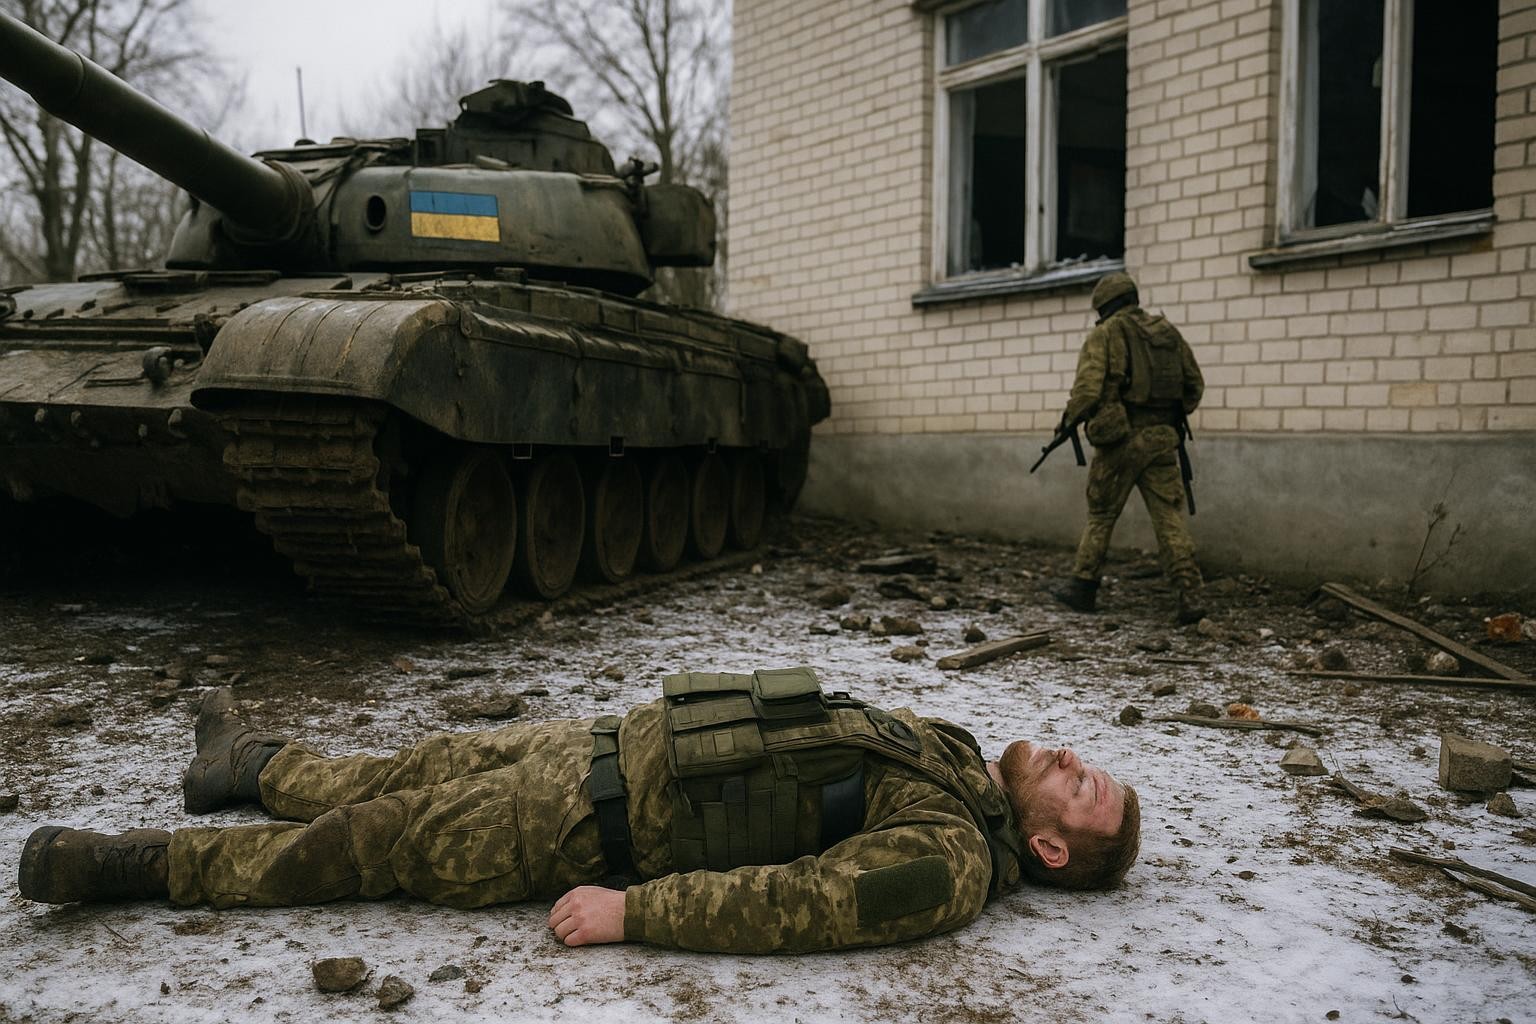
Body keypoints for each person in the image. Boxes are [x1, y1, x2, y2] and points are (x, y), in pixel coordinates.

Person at [18, 669, 1141, 953]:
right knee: (399, 769)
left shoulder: (950, 857)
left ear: (1049, 848)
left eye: (1083, 787)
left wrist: (631, 912)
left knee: (364, 843)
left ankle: (138, 866)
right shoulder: (955, 759)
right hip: (596, 747)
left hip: (577, 828)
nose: (1072, 757)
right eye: (1086, 763)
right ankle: (249, 765)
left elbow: (799, 903)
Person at [1054, 271, 1207, 624]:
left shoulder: (1105, 334)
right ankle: (1189, 594)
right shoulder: (1168, 333)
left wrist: (1068, 422)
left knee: (1101, 514)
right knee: (1168, 516)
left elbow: (1087, 391)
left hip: (1120, 442)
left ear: (1104, 307)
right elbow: (1194, 386)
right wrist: (1167, 415)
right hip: (1162, 438)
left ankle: (1083, 586)